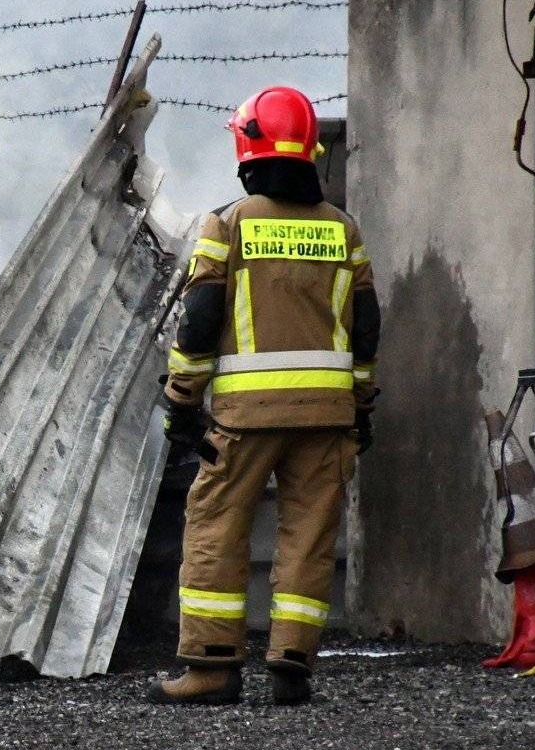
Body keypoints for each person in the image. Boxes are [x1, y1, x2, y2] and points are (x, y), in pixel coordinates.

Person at [147, 86, 380, 706]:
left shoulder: (228, 224)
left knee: (217, 527)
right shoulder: (344, 231)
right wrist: (362, 407)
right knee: (308, 535)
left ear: (246, 148)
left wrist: (182, 401)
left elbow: (197, 320)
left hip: (245, 419)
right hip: (328, 417)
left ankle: (211, 668)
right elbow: (366, 329)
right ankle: (292, 666)